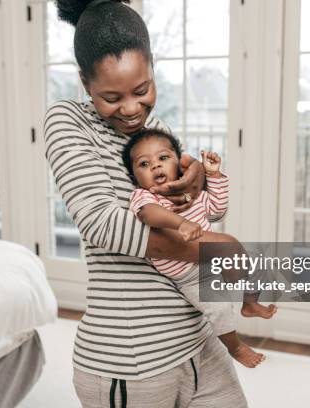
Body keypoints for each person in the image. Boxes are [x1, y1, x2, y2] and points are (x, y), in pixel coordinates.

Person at [46, 0, 248, 406]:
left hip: (199, 339)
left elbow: (192, 207)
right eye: (111, 96)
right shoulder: (67, 120)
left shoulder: (156, 129)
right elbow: (102, 224)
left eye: (142, 90)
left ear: (153, 68)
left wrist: (198, 178)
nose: (132, 109)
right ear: (86, 84)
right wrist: (216, 246)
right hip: (132, 359)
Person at [123, 128, 277, 369]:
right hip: (188, 275)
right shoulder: (145, 197)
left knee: (256, 261)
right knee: (219, 308)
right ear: (134, 177)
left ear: (179, 164)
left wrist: (213, 176)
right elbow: (147, 215)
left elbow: (216, 210)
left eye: (163, 158)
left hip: (213, 258)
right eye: (144, 163)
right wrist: (180, 222)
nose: (155, 166)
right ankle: (235, 346)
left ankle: (249, 303)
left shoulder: (192, 194)